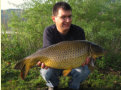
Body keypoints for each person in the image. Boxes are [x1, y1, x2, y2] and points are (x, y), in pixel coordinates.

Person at [37, 2, 90, 90]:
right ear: (54, 19)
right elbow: (47, 52)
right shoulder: (49, 31)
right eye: (63, 17)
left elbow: (85, 53)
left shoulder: (79, 31)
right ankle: (53, 85)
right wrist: (42, 61)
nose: (68, 20)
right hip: (55, 64)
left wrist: (87, 59)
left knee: (84, 71)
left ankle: (73, 86)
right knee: (46, 72)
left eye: (69, 16)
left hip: (73, 64)